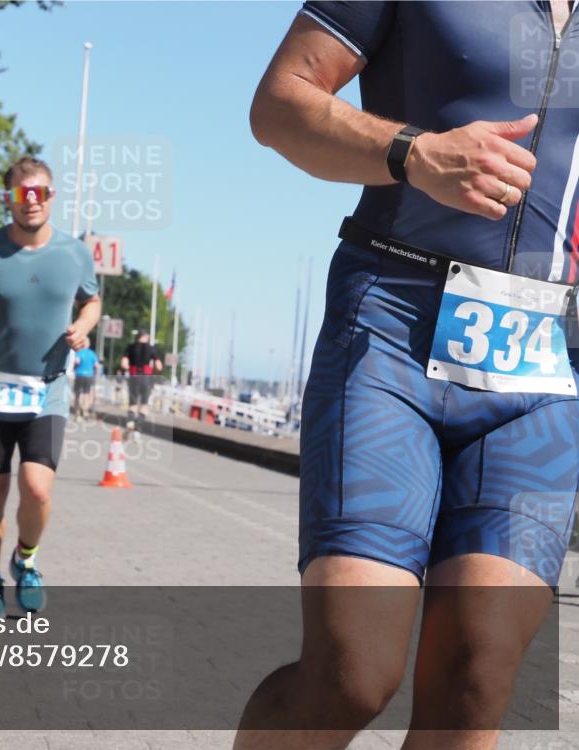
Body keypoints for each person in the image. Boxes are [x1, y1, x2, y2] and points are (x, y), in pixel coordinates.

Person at [237, 3, 578, 750]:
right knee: (351, 673)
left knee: (475, 680)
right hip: (392, 324)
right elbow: (279, 103)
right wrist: (412, 153)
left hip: (540, 362)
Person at [0, 156, 101, 617]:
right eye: (22, 193)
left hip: (46, 387)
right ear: (8, 197)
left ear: (51, 197)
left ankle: (25, 560)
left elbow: (92, 299)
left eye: (41, 193)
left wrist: (84, 325)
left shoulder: (74, 252)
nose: (32, 202)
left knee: (38, 489)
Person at [120, 329, 162, 437]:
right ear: (146, 337)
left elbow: (124, 364)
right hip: (146, 378)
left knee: (133, 404)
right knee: (144, 405)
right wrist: (154, 372)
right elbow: (159, 366)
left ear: (137, 337)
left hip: (134, 376)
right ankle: (138, 431)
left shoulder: (130, 347)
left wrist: (129, 369)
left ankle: (130, 422)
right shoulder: (151, 348)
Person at [72, 343, 99, 422]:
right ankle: (85, 411)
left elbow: (77, 361)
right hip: (89, 376)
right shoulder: (92, 353)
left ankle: (78, 413)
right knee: (86, 394)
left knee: (78, 394)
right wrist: (95, 375)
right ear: (88, 345)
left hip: (79, 375)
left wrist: (74, 368)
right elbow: (96, 366)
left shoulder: (79, 353)